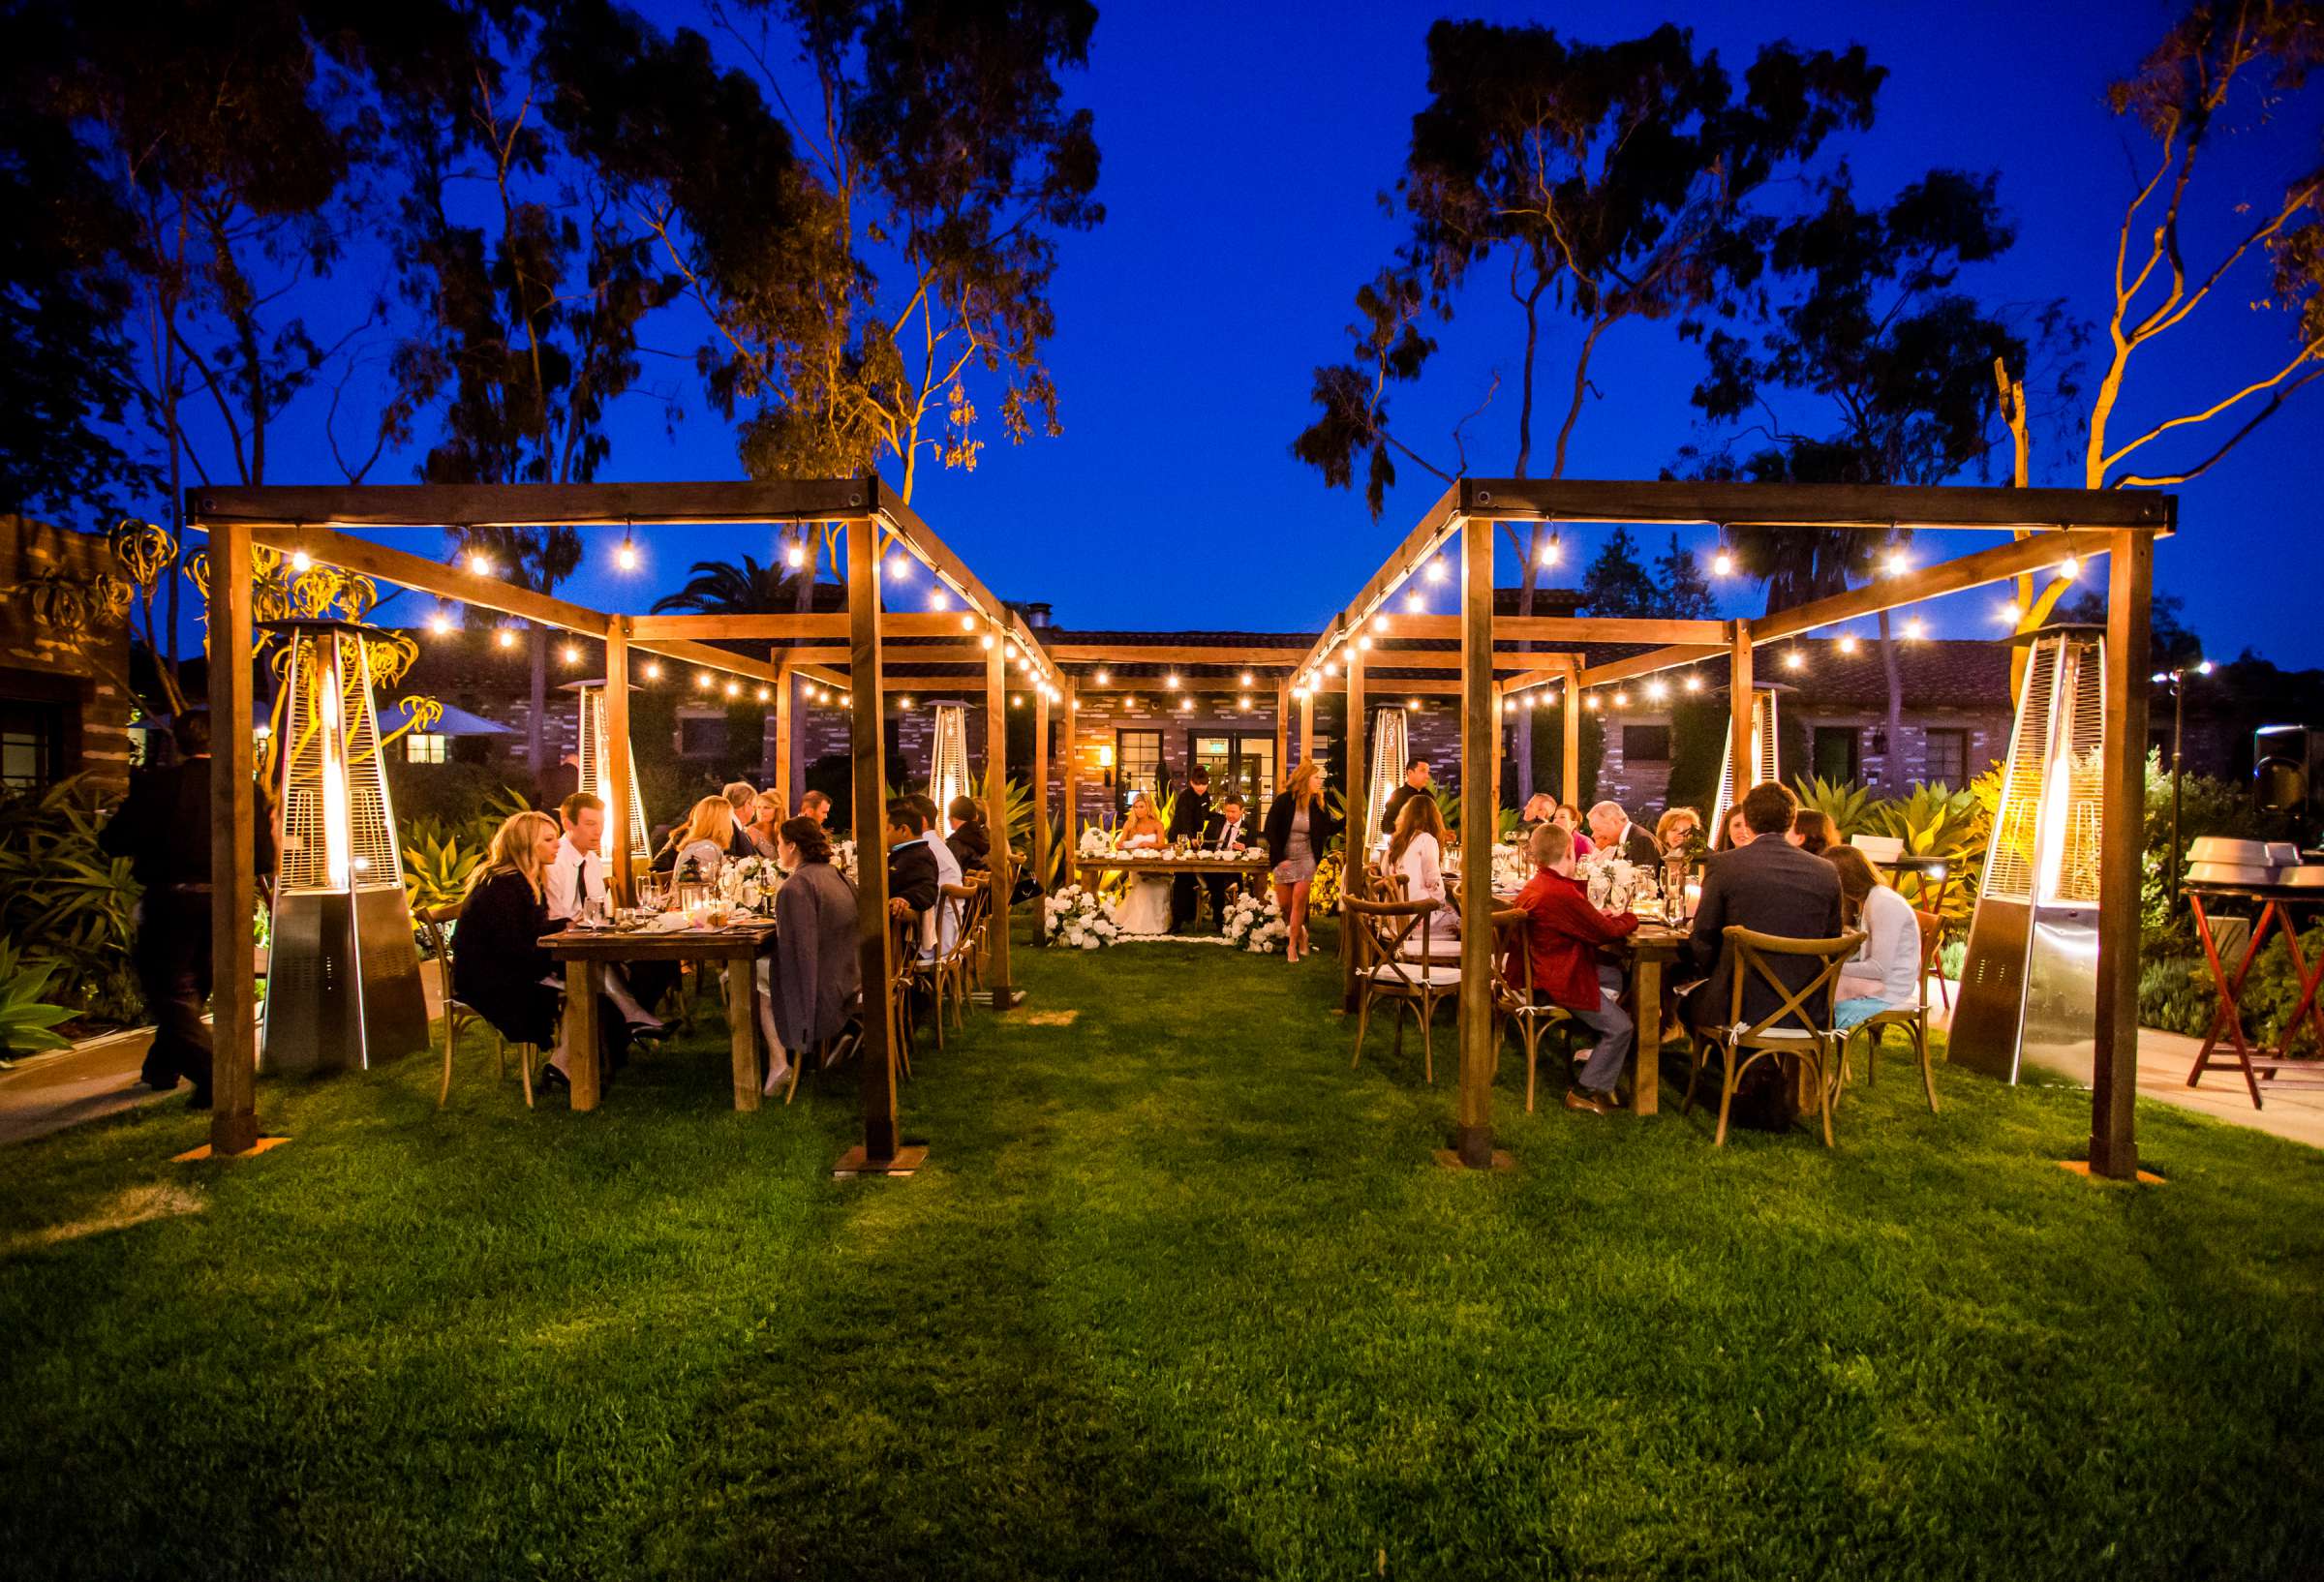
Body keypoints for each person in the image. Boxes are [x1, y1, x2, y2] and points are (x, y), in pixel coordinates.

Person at [99, 710, 273, 1107]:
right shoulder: (245, 790)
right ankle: (161, 1067)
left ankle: (218, 1077)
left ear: (179, 742)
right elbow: (263, 857)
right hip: (227, 902)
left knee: (170, 991)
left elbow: (113, 841)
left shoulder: (158, 787)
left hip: (172, 900)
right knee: (193, 987)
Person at [1681, 780, 1845, 1131]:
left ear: (1749, 823)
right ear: (1792, 821)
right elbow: (1831, 941)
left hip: (1737, 1007)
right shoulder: (1826, 871)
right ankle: (1763, 1077)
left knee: (1685, 1002)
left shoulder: (1725, 865)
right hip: (1806, 1009)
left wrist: (1706, 972)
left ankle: (1741, 1077)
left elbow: (1704, 937)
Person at [1513, 822, 1641, 1114]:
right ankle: (1586, 1090)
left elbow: (1588, 923)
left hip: (1541, 970)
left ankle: (1599, 1058)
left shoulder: (1538, 885)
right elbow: (1606, 932)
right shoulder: (1559, 893)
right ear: (1570, 852)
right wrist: (1631, 917)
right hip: (1557, 980)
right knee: (1621, 1027)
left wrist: (1598, 917)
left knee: (1616, 974)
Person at [544, 792, 666, 1036]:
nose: (598, 831)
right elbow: (557, 920)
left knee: (662, 963)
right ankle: (627, 1026)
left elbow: (599, 910)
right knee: (628, 966)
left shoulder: (592, 859)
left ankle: (618, 1034)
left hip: (592, 938)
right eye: (590, 824)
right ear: (568, 824)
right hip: (560, 948)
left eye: (601, 824)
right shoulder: (552, 862)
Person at [451, 810, 566, 1061]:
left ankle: (569, 1061)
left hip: (509, 967)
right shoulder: (502, 887)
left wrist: (566, 925)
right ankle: (568, 1062)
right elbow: (512, 948)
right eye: (548, 839)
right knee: (585, 981)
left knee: (590, 975)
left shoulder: (524, 881)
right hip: (491, 980)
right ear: (524, 845)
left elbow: (530, 932)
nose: (558, 844)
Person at [762, 816, 860, 1095]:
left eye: (779, 843)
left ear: (792, 846)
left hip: (826, 985)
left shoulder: (796, 887)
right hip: (849, 971)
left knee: (751, 978)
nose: (777, 849)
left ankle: (779, 1062)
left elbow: (797, 952)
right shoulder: (837, 875)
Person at [1826, 844, 1922, 1030]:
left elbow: (1879, 968)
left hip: (1888, 989)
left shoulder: (1883, 903)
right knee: (1813, 990)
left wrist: (1832, 968)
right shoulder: (1869, 899)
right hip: (1876, 982)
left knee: (1816, 998)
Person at [1264, 760, 1341, 963]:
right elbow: (1269, 829)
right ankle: (1302, 933)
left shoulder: (1318, 805)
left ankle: (1292, 947)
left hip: (1307, 858)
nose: (1320, 781)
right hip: (1284, 859)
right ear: (1305, 779)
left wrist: (1349, 817)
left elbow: (1328, 829)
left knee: (1298, 903)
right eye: (1316, 777)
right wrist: (1280, 858)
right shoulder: (1283, 801)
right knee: (1286, 905)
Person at [884, 797, 963, 960]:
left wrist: (905, 898)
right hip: (939, 930)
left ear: (904, 830)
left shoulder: (918, 854)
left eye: (885, 829)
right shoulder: (924, 848)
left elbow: (926, 889)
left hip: (919, 942)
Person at [1386, 791, 1458, 937]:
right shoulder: (1426, 840)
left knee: (1455, 914)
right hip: (1418, 920)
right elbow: (1435, 886)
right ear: (1434, 818)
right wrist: (1443, 905)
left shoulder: (1398, 842)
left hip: (1396, 919)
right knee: (1469, 923)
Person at [1113, 796, 1172, 936]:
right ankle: (1136, 922)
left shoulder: (1157, 824)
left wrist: (1148, 844)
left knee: (1156, 888)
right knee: (1142, 888)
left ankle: (1154, 924)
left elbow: (1162, 845)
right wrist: (1119, 845)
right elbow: (1120, 844)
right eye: (1136, 807)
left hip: (1155, 866)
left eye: (1141, 807)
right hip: (1137, 866)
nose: (1138, 810)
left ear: (1148, 807)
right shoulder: (1129, 824)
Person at [1168, 765, 1213, 930]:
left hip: (1196, 841)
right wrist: (1190, 838)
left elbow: (1206, 816)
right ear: (1191, 783)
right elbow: (1183, 820)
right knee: (1182, 878)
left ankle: (1189, 914)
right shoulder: (1185, 797)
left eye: (1204, 784)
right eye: (1197, 784)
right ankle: (1177, 922)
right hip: (1180, 840)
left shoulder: (1206, 797)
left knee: (1191, 878)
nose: (1201, 788)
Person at [1200, 792, 1257, 920]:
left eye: (1233, 811)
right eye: (1227, 811)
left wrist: (1245, 849)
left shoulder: (1248, 828)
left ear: (1242, 811)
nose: (1229, 815)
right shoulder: (1215, 823)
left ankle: (1221, 919)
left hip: (1233, 870)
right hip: (1211, 867)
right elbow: (1205, 845)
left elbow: (1253, 851)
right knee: (1185, 877)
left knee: (1218, 880)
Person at [665, 795, 736, 886]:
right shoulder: (706, 849)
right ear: (721, 821)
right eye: (729, 818)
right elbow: (695, 886)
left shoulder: (700, 845)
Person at [1587, 800, 1660, 869]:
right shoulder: (1628, 838)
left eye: (1598, 829)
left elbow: (1644, 879)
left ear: (1614, 822)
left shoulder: (1642, 840)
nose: (1594, 835)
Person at [1379, 758, 1432, 846]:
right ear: (1410, 773)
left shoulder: (1429, 797)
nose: (1427, 776)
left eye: (1428, 772)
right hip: (1403, 848)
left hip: (1427, 847)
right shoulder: (1398, 795)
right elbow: (1386, 826)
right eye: (1423, 771)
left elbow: (1433, 824)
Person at [945, 795, 991, 876]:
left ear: (953, 817)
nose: (947, 818)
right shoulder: (986, 836)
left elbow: (950, 878)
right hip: (988, 887)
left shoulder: (955, 844)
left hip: (963, 887)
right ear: (975, 817)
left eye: (949, 814)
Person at [721, 781, 759, 859]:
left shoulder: (736, 827)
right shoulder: (729, 828)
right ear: (747, 804)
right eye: (754, 807)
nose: (754, 812)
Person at [742, 791, 783, 859]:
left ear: (777, 810)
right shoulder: (751, 831)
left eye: (766, 807)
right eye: (758, 807)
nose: (761, 812)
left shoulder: (784, 831)